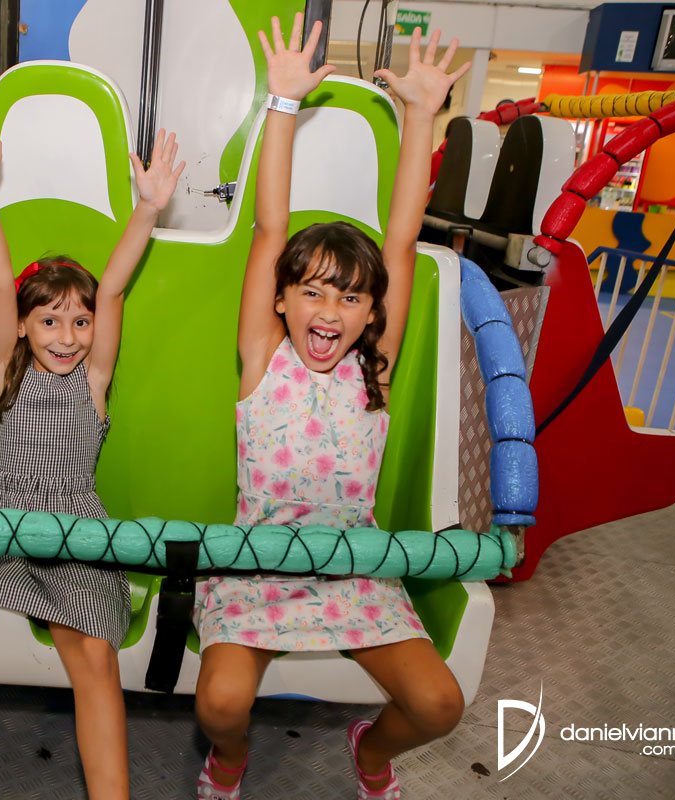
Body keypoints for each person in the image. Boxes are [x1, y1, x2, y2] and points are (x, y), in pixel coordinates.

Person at [192, 15, 470, 800]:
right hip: (258, 568)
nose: (329, 310)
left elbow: (401, 240)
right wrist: (282, 103)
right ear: (281, 300)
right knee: (220, 704)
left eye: (350, 298)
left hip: (354, 571)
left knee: (439, 704)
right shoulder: (264, 359)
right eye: (312, 291)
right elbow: (269, 226)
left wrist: (421, 115)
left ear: (371, 313)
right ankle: (230, 759)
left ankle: (370, 754)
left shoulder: (370, 368)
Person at [0, 114, 184, 800]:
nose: (68, 335)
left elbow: (112, 286)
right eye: (50, 320)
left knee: (95, 659)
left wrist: (148, 209)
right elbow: (0, 282)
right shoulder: (8, 370)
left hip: (73, 531)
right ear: (24, 326)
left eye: (80, 321)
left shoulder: (93, 380)